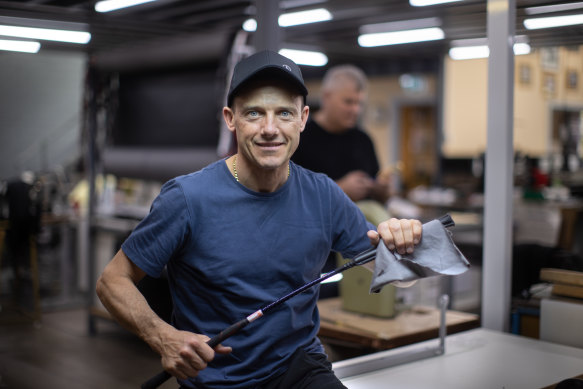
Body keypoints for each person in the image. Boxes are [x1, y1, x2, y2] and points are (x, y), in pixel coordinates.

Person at [96, 50, 422, 389]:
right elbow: (112, 281)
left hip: (300, 369)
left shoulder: (324, 195)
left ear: (303, 119)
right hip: (217, 381)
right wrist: (163, 336)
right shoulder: (187, 198)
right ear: (231, 118)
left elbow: (402, 275)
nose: (270, 129)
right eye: (254, 113)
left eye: (284, 113)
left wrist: (407, 243)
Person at [291, 65, 391, 204]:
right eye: (348, 102)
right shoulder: (300, 137)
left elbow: (380, 194)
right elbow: (291, 194)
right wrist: (340, 189)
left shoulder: (363, 140)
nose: (356, 110)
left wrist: (382, 191)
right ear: (327, 97)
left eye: (359, 103)